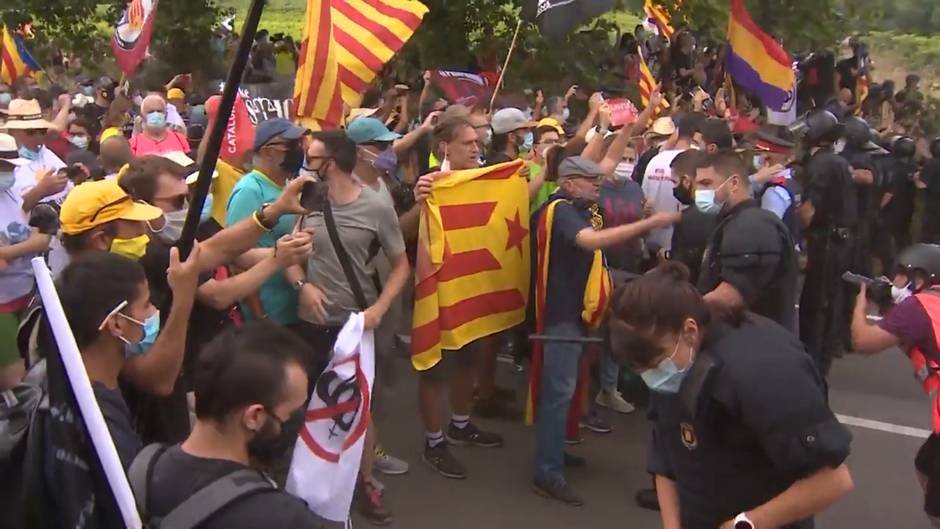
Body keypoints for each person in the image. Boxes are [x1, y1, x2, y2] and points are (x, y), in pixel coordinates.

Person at [611, 262, 854, 529]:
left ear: (690, 330)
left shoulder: (764, 369)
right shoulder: (673, 362)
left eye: (655, 362)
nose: (652, 376)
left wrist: (746, 523)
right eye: (641, 369)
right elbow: (666, 460)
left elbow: (832, 480)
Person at [529, 156, 679, 504]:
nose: (598, 184)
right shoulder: (564, 211)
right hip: (562, 315)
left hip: (574, 313)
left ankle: (554, 456)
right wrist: (650, 223)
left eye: (598, 179)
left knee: (564, 393)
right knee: (558, 395)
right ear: (568, 183)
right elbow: (591, 242)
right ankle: (547, 471)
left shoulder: (573, 207)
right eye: (589, 180)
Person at [291, 130, 410, 524]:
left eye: (313, 156)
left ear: (334, 162)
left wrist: (378, 309)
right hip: (311, 324)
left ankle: (364, 482)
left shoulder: (376, 207)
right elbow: (289, 257)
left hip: (356, 327)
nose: (306, 162)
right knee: (311, 405)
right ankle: (310, 486)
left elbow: (401, 266)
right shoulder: (307, 201)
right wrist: (302, 284)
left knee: (357, 410)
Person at [131, 322, 325, 529]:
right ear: (255, 417)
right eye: (291, 413)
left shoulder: (141, 473)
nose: (297, 421)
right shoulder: (282, 517)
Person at [409, 117, 505, 482]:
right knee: (434, 368)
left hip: (472, 288)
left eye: (478, 142)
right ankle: (434, 443)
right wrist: (419, 203)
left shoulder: (483, 180)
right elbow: (398, 232)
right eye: (468, 142)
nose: (476, 148)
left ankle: (460, 425)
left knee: (469, 360)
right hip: (437, 293)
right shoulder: (427, 182)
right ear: (445, 147)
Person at [56, 250, 199, 467]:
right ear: (116, 324)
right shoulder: (104, 428)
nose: (154, 311)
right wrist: (183, 301)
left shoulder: (63, 381)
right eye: (146, 305)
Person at [850, 243, 940, 527]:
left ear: (921, 279)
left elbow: (863, 342)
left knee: (936, 508)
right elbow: (910, 341)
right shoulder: (929, 306)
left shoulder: (919, 305)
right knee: (924, 466)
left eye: (901, 274)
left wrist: (859, 306)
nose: (894, 281)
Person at [694, 151, 800, 330]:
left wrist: (684, 310)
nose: (699, 192)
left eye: (707, 184)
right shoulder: (733, 221)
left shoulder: (751, 226)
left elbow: (731, 296)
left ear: (733, 183)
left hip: (754, 342)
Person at [226, 118, 308, 326]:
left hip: (293, 307)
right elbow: (236, 256)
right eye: (290, 145)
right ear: (267, 152)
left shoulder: (287, 185)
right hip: (270, 314)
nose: (299, 149)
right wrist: (259, 317)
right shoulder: (250, 190)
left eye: (300, 143)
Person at [797, 109, 859, 376]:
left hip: (826, 242)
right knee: (828, 303)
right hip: (841, 240)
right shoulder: (838, 161)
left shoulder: (821, 164)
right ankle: (820, 362)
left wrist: (795, 235)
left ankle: (812, 367)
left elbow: (809, 210)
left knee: (815, 306)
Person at [0, 135, 52, 390]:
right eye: (3, 167)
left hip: (28, 295)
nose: (8, 173)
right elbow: (37, 240)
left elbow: (41, 235)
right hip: (2, 306)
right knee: (15, 380)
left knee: (35, 365)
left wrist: (8, 252)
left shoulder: (11, 194)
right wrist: (31, 245)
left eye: (10, 168)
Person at [642, 113, 705, 254]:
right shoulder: (700, 161)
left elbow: (644, 201)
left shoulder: (654, 160)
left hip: (653, 242)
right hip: (686, 246)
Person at [668, 150, 716, 284]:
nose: (674, 187)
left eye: (674, 181)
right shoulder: (725, 207)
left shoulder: (688, 219)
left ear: (686, 181)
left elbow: (680, 269)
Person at [922, 140, 940, 244]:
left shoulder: (931, 163)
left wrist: (915, 177)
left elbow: (922, 184)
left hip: (933, 204)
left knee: (929, 234)